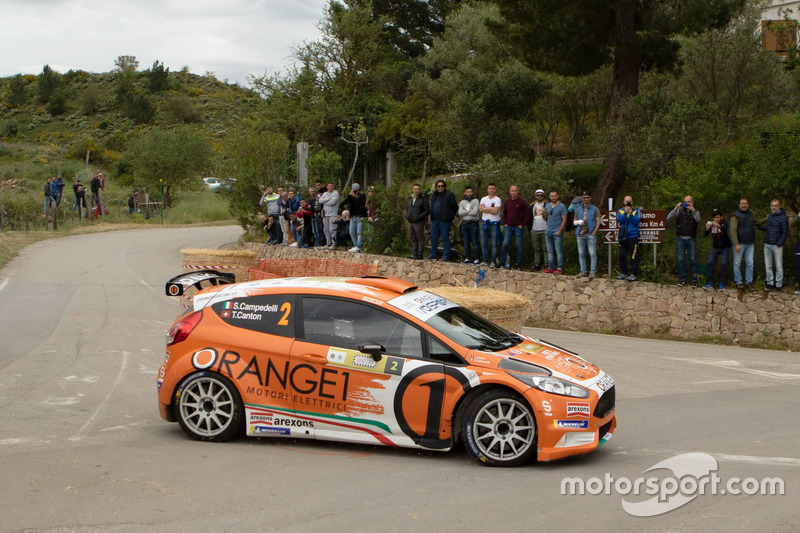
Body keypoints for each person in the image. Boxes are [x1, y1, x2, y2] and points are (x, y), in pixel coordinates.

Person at [667, 195, 701, 287]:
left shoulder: (695, 212)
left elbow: (698, 219)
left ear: (692, 202)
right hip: (680, 238)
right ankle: (682, 279)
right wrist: (675, 208)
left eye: (689, 202)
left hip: (691, 238)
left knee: (693, 260)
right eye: (685, 202)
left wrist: (692, 209)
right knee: (681, 259)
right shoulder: (679, 211)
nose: (687, 204)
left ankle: (694, 280)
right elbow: (668, 218)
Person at [757, 199, 789, 292]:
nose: (774, 207)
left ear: (779, 206)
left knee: (778, 265)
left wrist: (779, 243)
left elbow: (785, 232)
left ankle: (779, 284)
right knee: (768, 265)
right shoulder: (770, 216)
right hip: (767, 244)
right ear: (770, 206)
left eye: (775, 205)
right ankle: (770, 283)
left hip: (776, 245)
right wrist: (759, 227)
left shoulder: (783, 218)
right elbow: (769, 229)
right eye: (772, 205)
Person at [500, 185, 530, 270]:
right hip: (508, 227)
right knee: (505, 244)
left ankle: (518, 264)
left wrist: (522, 225)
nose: (514, 192)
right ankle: (502, 263)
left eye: (515, 190)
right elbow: (504, 213)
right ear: (510, 191)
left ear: (518, 191)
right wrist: (505, 223)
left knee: (519, 245)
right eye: (512, 190)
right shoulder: (507, 201)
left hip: (518, 227)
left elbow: (527, 215)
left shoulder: (522, 202)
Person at [427, 180, 458, 261]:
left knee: (445, 238)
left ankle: (446, 256)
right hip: (434, 220)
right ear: (436, 187)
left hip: (444, 221)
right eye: (438, 186)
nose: (440, 187)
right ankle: (433, 254)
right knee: (433, 238)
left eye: (442, 186)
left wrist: (450, 216)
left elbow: (455, 207)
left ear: (444, 187)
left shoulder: (449, 195)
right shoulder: (434, 195)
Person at [730, 198, 756, 291]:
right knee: (737, 264)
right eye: (742, 203)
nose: (744, 205)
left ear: (748, 205)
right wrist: (736, 243)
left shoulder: (750, 214)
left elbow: (756, 222)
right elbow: (733, 230)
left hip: (750, 243)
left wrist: (767, 218)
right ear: (739, 205)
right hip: (740, 243)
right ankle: (739, 282)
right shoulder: (735, 216)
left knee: (750, 263)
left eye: (745, 203)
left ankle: (749, 282)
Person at [703, 209, 731, 291]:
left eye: (718, 217)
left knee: (724, 263)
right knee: (710, 262)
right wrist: (707, 229)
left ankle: (722, 282)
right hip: (715, 247)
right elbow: (705, 234)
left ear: (721, 217)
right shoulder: (711, 224)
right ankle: (710, 282)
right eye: (714, 218)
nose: (716, 219)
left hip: (725, 247)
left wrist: (719, 225)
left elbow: (725, 230)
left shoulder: (724, 223)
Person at [574, 191, 600, 278]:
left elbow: (598, 221)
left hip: (590, 233)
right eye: (584, 197)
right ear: (582, 198)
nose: (586, 199)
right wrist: (578, 222)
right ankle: (583, 270)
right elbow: (574, 221)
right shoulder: (578, 209)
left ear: (590, 198)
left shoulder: (594, 208)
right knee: (581, 253)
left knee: (592, 253)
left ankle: (592, 271)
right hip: (580, 233)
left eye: (587, 197)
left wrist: (594, 232)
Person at [616, 195, 641, 281]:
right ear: (624, 202)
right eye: (626, 201)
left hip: (633, 236)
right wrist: (626, 213)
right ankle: (624, 273)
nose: (628, 203)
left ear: (632, 202)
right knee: (622, 256)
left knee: (633, 256)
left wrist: (631, 213)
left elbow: (636, 222)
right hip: (623, 236)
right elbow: (620, 221)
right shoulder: (620, 211)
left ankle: (634, 274)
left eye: (629, 201)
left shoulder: (636, 211)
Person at [543, 189, 567, 274]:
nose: (553, 197)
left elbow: (564, 219)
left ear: (557, 196)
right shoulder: (547, 205)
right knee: (549, 250)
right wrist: (544, 213)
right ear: (549, 197)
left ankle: (559, 268)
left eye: (555, 196)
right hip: (548, 230)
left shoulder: (562, 206)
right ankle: (550, 267)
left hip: (557, 231)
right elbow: (545, 218)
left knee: (558, 250)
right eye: (552, 196)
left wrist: (560, 230)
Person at [479, 183, 502, 267]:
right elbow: (481, 209)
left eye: (493, 188)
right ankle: (485, 261)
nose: (491, 190)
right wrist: (490, 209)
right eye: (490, 188)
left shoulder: (497, 200)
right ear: (487, 189)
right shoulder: (483, 199)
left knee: (494, 244)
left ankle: (493, 262)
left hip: (494, 224)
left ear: (495, 190)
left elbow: (496, 211)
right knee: (483, 243)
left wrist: (486, 209)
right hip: (484, 222)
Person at [405, 183, 429, 259]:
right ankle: (414, 253)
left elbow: (427, 210)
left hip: (418, 221)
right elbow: (407, 208)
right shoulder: (410, 198)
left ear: (420, 190)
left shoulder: (423, 199)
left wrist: (419, 217)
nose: (417, 191)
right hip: (411, 221)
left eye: (418, 189)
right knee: (412, 237)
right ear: (413, 190)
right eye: (415, 189)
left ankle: (420, 253)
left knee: (420, 237)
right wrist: (406, 215)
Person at [341, 183, 367, 253]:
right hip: (353, 216)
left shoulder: (362, 196)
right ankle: (355, 245)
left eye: (356, 190)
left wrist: (357, 197)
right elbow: (344, 203)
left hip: (360, 216)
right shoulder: (351, 196)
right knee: (352, 232)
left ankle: (359, 246)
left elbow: (362, 204)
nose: (355, 192)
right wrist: (349, 196)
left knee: (359, 232)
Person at [458, 185, 480, 264]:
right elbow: (460, 212)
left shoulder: (475, 201)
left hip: (473, 223)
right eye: (467, 192)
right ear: (465, 193)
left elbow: (475, 212)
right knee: (466, 242)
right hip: (465, 224)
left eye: (470, 192)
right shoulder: (462, 202)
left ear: (472, 192)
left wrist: (465, 210)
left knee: (475, 242)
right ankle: (468, 258)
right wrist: (469, 210)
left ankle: (477, 258)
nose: (469, 193)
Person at [529, 189, 547, 271]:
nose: (539, 197)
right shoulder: (531, 206)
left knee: (546, 248)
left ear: (543, 196)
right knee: (536, 248)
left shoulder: (547, 205)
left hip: (545, 229)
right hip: (535, 229)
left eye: (541, 195)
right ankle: (537, 264)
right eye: (538, 195)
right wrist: (530, 229)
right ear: (535, 196)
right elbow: (529, 217)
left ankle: (547, 264)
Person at [319, 182, 340, 249]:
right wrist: (327, 199)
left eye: (331, 186)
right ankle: (328, 243)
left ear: (333, 186)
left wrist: (325, 202)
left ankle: (334, 244)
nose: (330, 187)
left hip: (332, 214)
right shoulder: (325, 193)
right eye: (329, 186)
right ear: (327, 187)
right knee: (326, 229)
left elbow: (333, 202)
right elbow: (320, 201)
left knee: (332, 229)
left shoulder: (335, 193)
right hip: (325, 214)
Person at [790, 213, 800, 295]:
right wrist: (798, 216)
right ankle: (798, 285)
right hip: (799, 243)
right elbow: (792, 224)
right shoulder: (798, 218)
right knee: (798, 265)